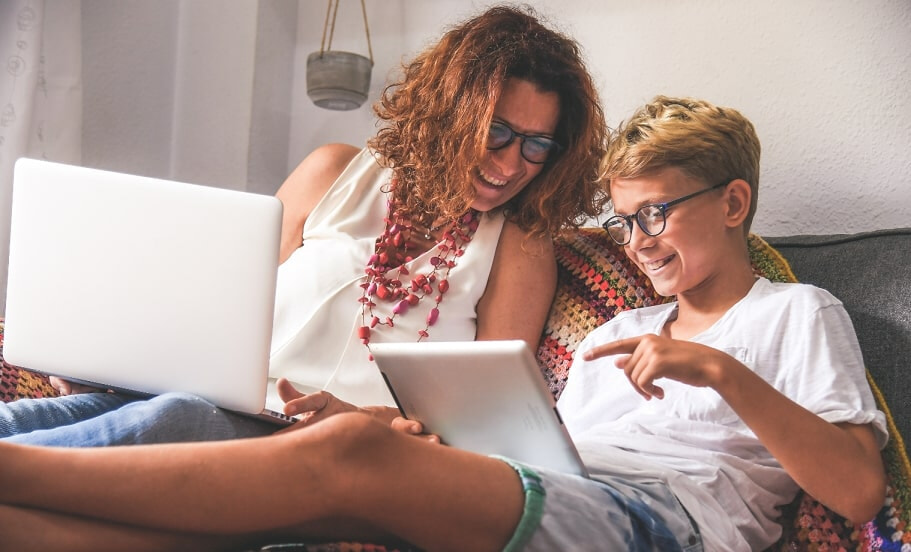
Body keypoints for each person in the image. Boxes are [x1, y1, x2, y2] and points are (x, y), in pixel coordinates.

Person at [0, 96, 888, 551]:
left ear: (733, 202)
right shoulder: (618, 326)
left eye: (657, 213)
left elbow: (853, 490)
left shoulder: (794, 311)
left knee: (348, 462)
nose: (637, 242)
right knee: (314, 456)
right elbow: (530, 456)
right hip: (561, 488)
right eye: (623, 221)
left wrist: (718, 370)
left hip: (664, 524)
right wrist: (394, 423)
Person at [0, 5, 607, 446]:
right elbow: (211, 309)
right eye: (496, 131)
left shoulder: (519, 248)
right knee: (32, 421)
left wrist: (374, 422)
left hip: (324, 444)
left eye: (536, 145)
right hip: (219, 400)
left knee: (166, 422)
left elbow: (492, 426)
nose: (509, 164)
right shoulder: (333, 172)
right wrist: (115, 359)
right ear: (451, 113)